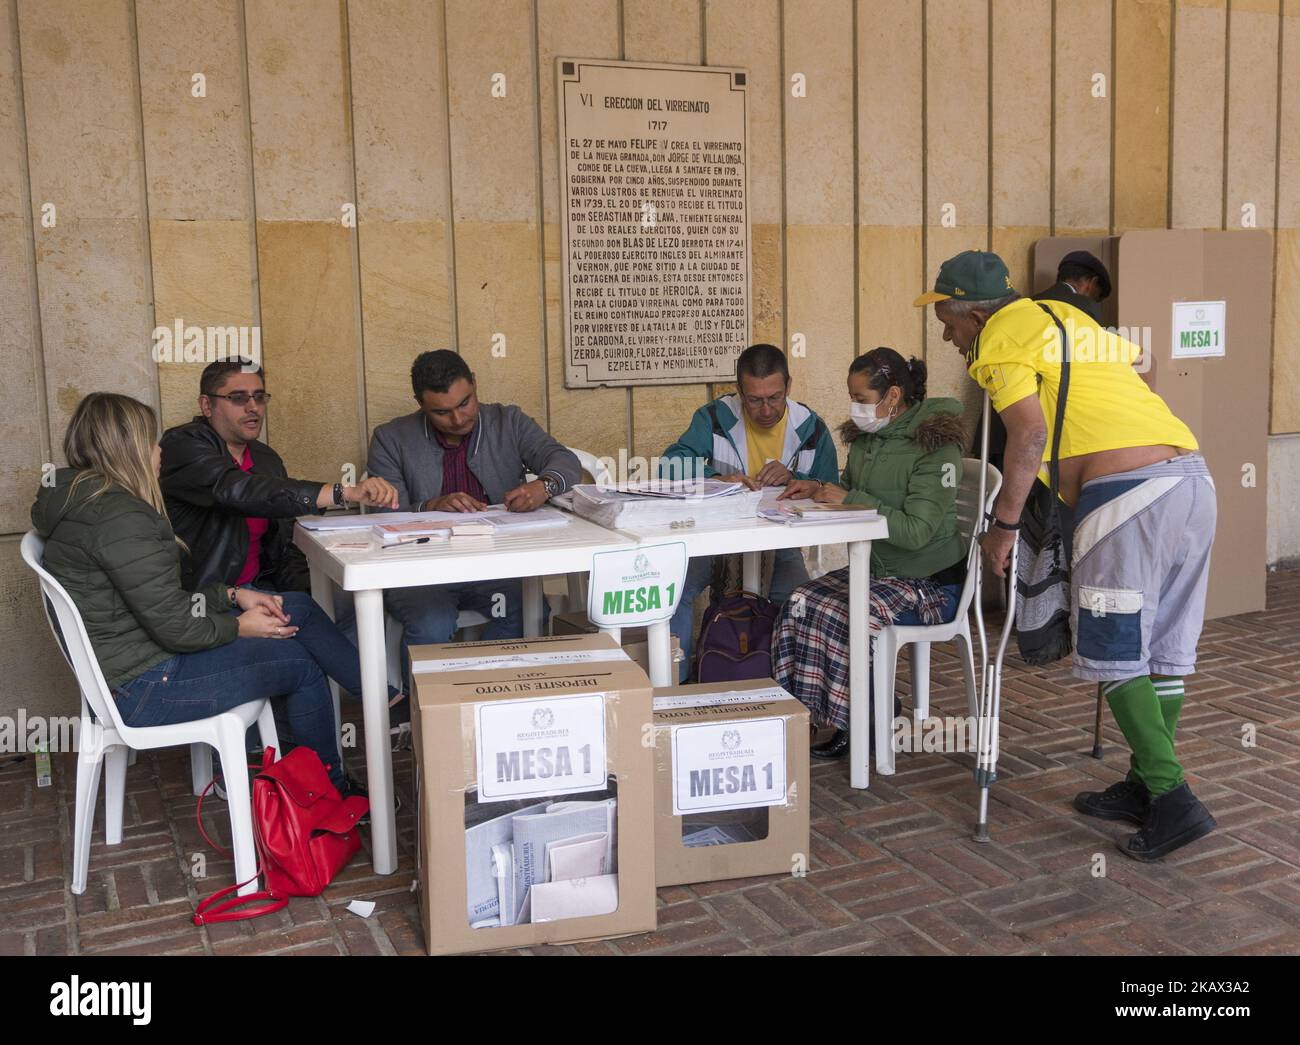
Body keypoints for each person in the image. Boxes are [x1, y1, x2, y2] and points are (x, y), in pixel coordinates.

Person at [916, 249, 1216, 861]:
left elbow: (1027, 434)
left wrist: (1003, 528)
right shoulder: (1062, 316)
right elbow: (1146, 362)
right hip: (1190, 480)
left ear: (973, 314)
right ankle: (1145, 784)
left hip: (1127, 498)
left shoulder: (999, 341)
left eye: (947, 319)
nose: (946, 334)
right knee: (1160, 647)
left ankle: (1174, 797)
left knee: (1111, 645)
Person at [31, 393, 350, 795]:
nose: (159, 450)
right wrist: (240, 629)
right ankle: (326, 792)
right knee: (299, 662)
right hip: (146, 687)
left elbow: (159, 602)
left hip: (136, 664)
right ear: (128, 450)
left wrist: (234, 596)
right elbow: (176, 629)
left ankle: (377, 700)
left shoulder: (84, 500)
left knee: (295, 606)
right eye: (151, 441)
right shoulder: (121, 519)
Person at [160, 358, 410, 750]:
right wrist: (343, 492)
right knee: (302, 651)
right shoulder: (183, 446)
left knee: (328, 611)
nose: (253, 408)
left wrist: (309, 589)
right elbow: (237, 491)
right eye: (238, 398)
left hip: (259, 589)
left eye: (259, 397)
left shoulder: (265, 459)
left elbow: (281, 543)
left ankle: (299, 761)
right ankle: (299, 765)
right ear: (207, 406)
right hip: (205, 599)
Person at [771, 349, 968, 757]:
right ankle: (818, 718)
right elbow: (848, 489)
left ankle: (867, 721)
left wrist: (850, 498)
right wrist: (815, 487)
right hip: (877, 570)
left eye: (861, 399)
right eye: (852, 398)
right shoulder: (868, 439)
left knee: (851, 615)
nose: (855, 408)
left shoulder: (936, 446)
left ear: (892, 395)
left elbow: (915, 532)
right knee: (799, 602)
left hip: (930, 581)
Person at [367, 349, 582, 650]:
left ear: (475, 384)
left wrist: (544, 487)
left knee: (526, 611)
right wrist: (431, 506)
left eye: (464, 403)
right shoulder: (391, 438)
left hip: (495, 566)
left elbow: (564, 461)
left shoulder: (509, 422)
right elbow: (384, 512)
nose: (457, 419)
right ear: (420, 404)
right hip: (420, 572)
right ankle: (431, 697)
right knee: (432, 623)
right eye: (441, 412)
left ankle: (485, 687)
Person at [660, 343, 840, 681]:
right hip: (716, 538)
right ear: (739, 391)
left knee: (802, 602)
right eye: (754, 400)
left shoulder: (811, 428)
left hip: (779, 541)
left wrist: (798, 479)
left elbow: (830, 486)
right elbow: (671, 464)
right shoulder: (714, 417)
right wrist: (716, 480)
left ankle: (792, 693)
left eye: (774, 397)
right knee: (675, 591)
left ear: (789, 385)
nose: (766, 409)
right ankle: (677, 686)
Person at [1035, 249, 1111, 322]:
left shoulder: (1031, 301)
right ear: (1093, 283)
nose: (1093, 301)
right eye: (1096, 298)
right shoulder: (1088, 308)